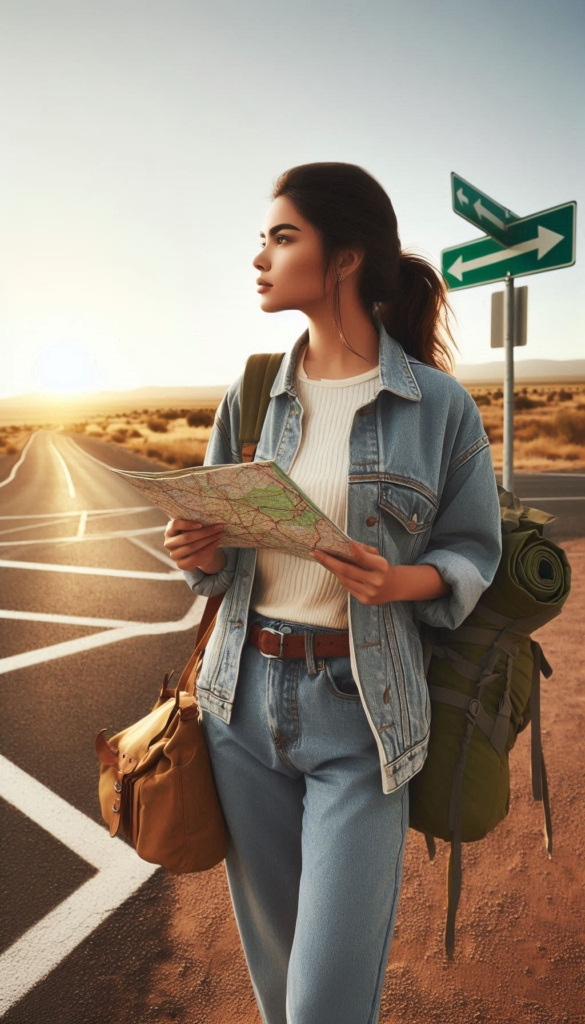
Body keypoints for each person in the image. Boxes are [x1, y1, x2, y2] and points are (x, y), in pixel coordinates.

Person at [163, 162, 502, 1024]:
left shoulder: (438, 408)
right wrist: (192, 547)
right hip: (240, 707)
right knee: (280, 994)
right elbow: (213, 568)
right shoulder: (249, 397)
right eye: (264, 238)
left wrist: (401, 580)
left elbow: (473, 550)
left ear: (345, 257)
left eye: (282, 237)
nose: (260, 258)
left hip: (362, 714)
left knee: (326, 1006)